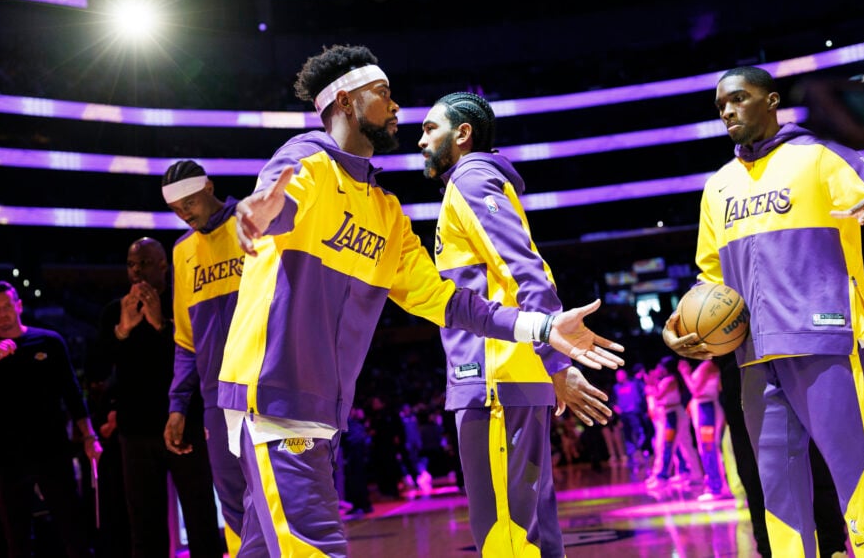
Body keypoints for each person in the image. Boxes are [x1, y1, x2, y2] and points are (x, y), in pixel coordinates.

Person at [217, 43, 624, 557]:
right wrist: (262, 208)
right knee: (315, 546)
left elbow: (446, 302)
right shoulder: (308, 160)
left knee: (265, 546)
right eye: (383, 94)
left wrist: (541, 330)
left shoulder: (386, 210)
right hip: (278, 393)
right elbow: (281, 195)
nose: (396, 108)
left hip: (322, 404)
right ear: (345, 101)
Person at [663, 65, 864, 555]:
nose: (728, 111)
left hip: (826, 339)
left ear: (771, 100)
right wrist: (679, 326)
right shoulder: (718, 187)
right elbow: (710, 277)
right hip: (754, 354)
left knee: (858, 475)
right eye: (720, 106)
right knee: (777, 494)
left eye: (738, 99)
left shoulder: (821, 158)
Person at [417, 90, 615, 555]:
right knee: (529, 533)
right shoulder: (476, 181)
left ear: (463, 134)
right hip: (505, 377)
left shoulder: (470, 178)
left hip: (494, 381)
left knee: (507, 537)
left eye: (430, 129)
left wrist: (555, 359)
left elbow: (526, 271)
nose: (421, 140)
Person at [89, 237, 222, 558]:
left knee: (201, 515)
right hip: (134, 433)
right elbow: (95, 371)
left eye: (144, 263)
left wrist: (161, 325)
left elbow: (201, 360)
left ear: (164, 265)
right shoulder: (114, 312)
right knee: (144, 525)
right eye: (131, 264)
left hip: (184, 425)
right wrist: (123, 329)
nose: (136, 271)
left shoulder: (184, 303)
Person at [0, 280, 101, 558]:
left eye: (7, 306)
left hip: (53, 451)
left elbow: (72, 393)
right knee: (18, 538)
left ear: (19, 306)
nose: (2, 313)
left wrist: (89, 436)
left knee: (73, 529)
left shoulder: (49, 341)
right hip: (8, 457)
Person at [161, 159, 248, 556]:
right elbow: (185, 340)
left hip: (269, 387)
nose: (186, 214)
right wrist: (178, 406)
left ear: (209, 186)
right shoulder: (182, 253)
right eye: (177, 210)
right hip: (217, 400)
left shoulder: (252, 223)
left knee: (283, 494)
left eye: (191, 203)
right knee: (233, 504)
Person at [643, 356, 702, 489]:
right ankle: (695, 474)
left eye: (661, 367)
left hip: (673, 416)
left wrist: (651, 384)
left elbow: (658, 396)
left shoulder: (670, 380)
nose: (659, 370)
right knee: (684, 445)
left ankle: (662, 477)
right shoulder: (667, 380)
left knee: (668, 445)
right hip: (671, 414)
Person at [677, 358, 728, 500]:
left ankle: (716, 487)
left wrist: (685, 374)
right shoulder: (706, 365)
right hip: (704, 408)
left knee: (708, 448)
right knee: (707, 448)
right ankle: (715, 484)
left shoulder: (707, 365)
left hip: (707, 410)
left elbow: (696, 390)